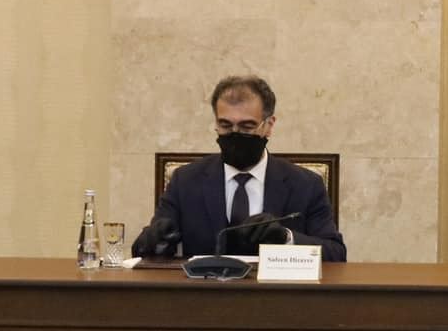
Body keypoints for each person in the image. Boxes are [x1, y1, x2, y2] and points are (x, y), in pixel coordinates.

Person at [133, 74, 346, 261]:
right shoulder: (185, 181)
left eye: (247, 126)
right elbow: (145, 250)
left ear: (269, 125)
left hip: (276, 292)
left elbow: (335, 254)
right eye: (225, 125)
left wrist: (285, 238)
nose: (235, 133)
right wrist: (152, 240)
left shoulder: (305, 184)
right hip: (204, 291)